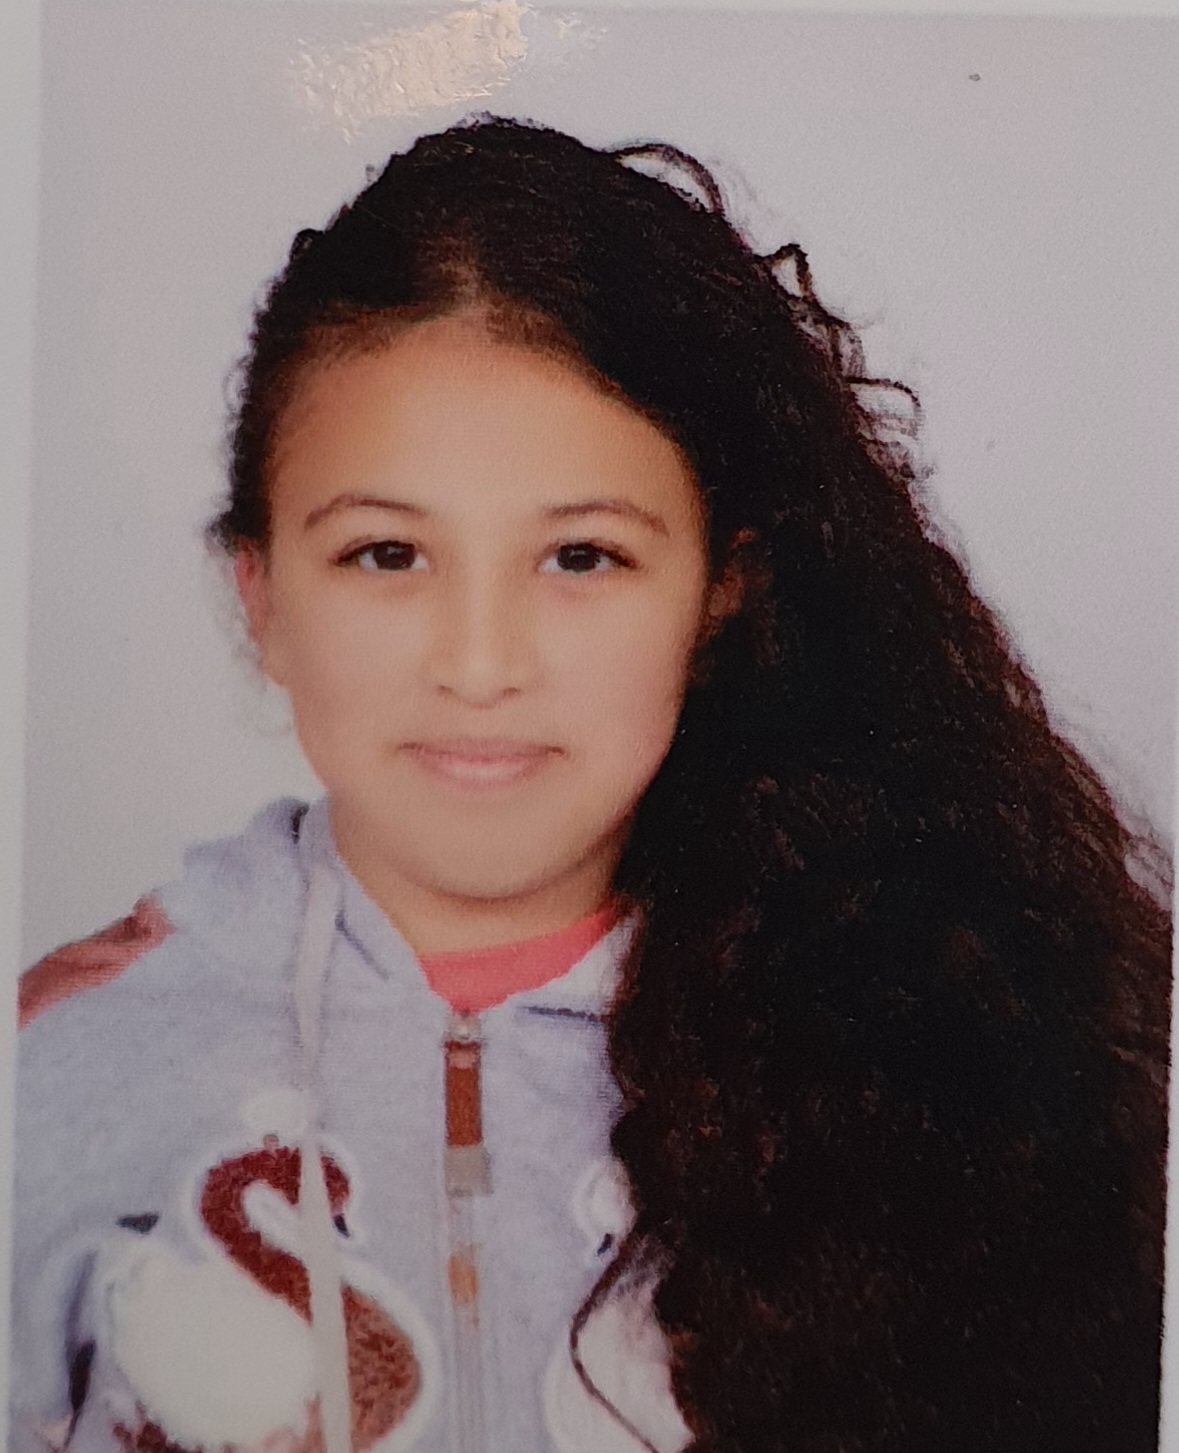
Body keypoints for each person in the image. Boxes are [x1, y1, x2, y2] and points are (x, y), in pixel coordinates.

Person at [10, 115, 1170, 1453]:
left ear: (720, 593)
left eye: (582, 558)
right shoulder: (58, 1070)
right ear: (261, 597)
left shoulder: (955, 1064)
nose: (481, 665)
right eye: (386, 554)